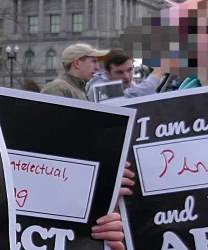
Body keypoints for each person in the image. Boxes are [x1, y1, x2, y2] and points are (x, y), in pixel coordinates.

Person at [40, 43, 125, 250]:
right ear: (77, 63)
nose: (97, 66)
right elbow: (54, 137)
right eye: (93, 60)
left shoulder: (79, 90)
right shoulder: (58, 89)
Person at [86, 48, 161, 102]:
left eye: (130, 70)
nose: (126, 76)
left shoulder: (129, 84)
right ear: (107, 73)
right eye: (119, 72)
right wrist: (159, 71)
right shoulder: (98, 87)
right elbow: (134, 94)